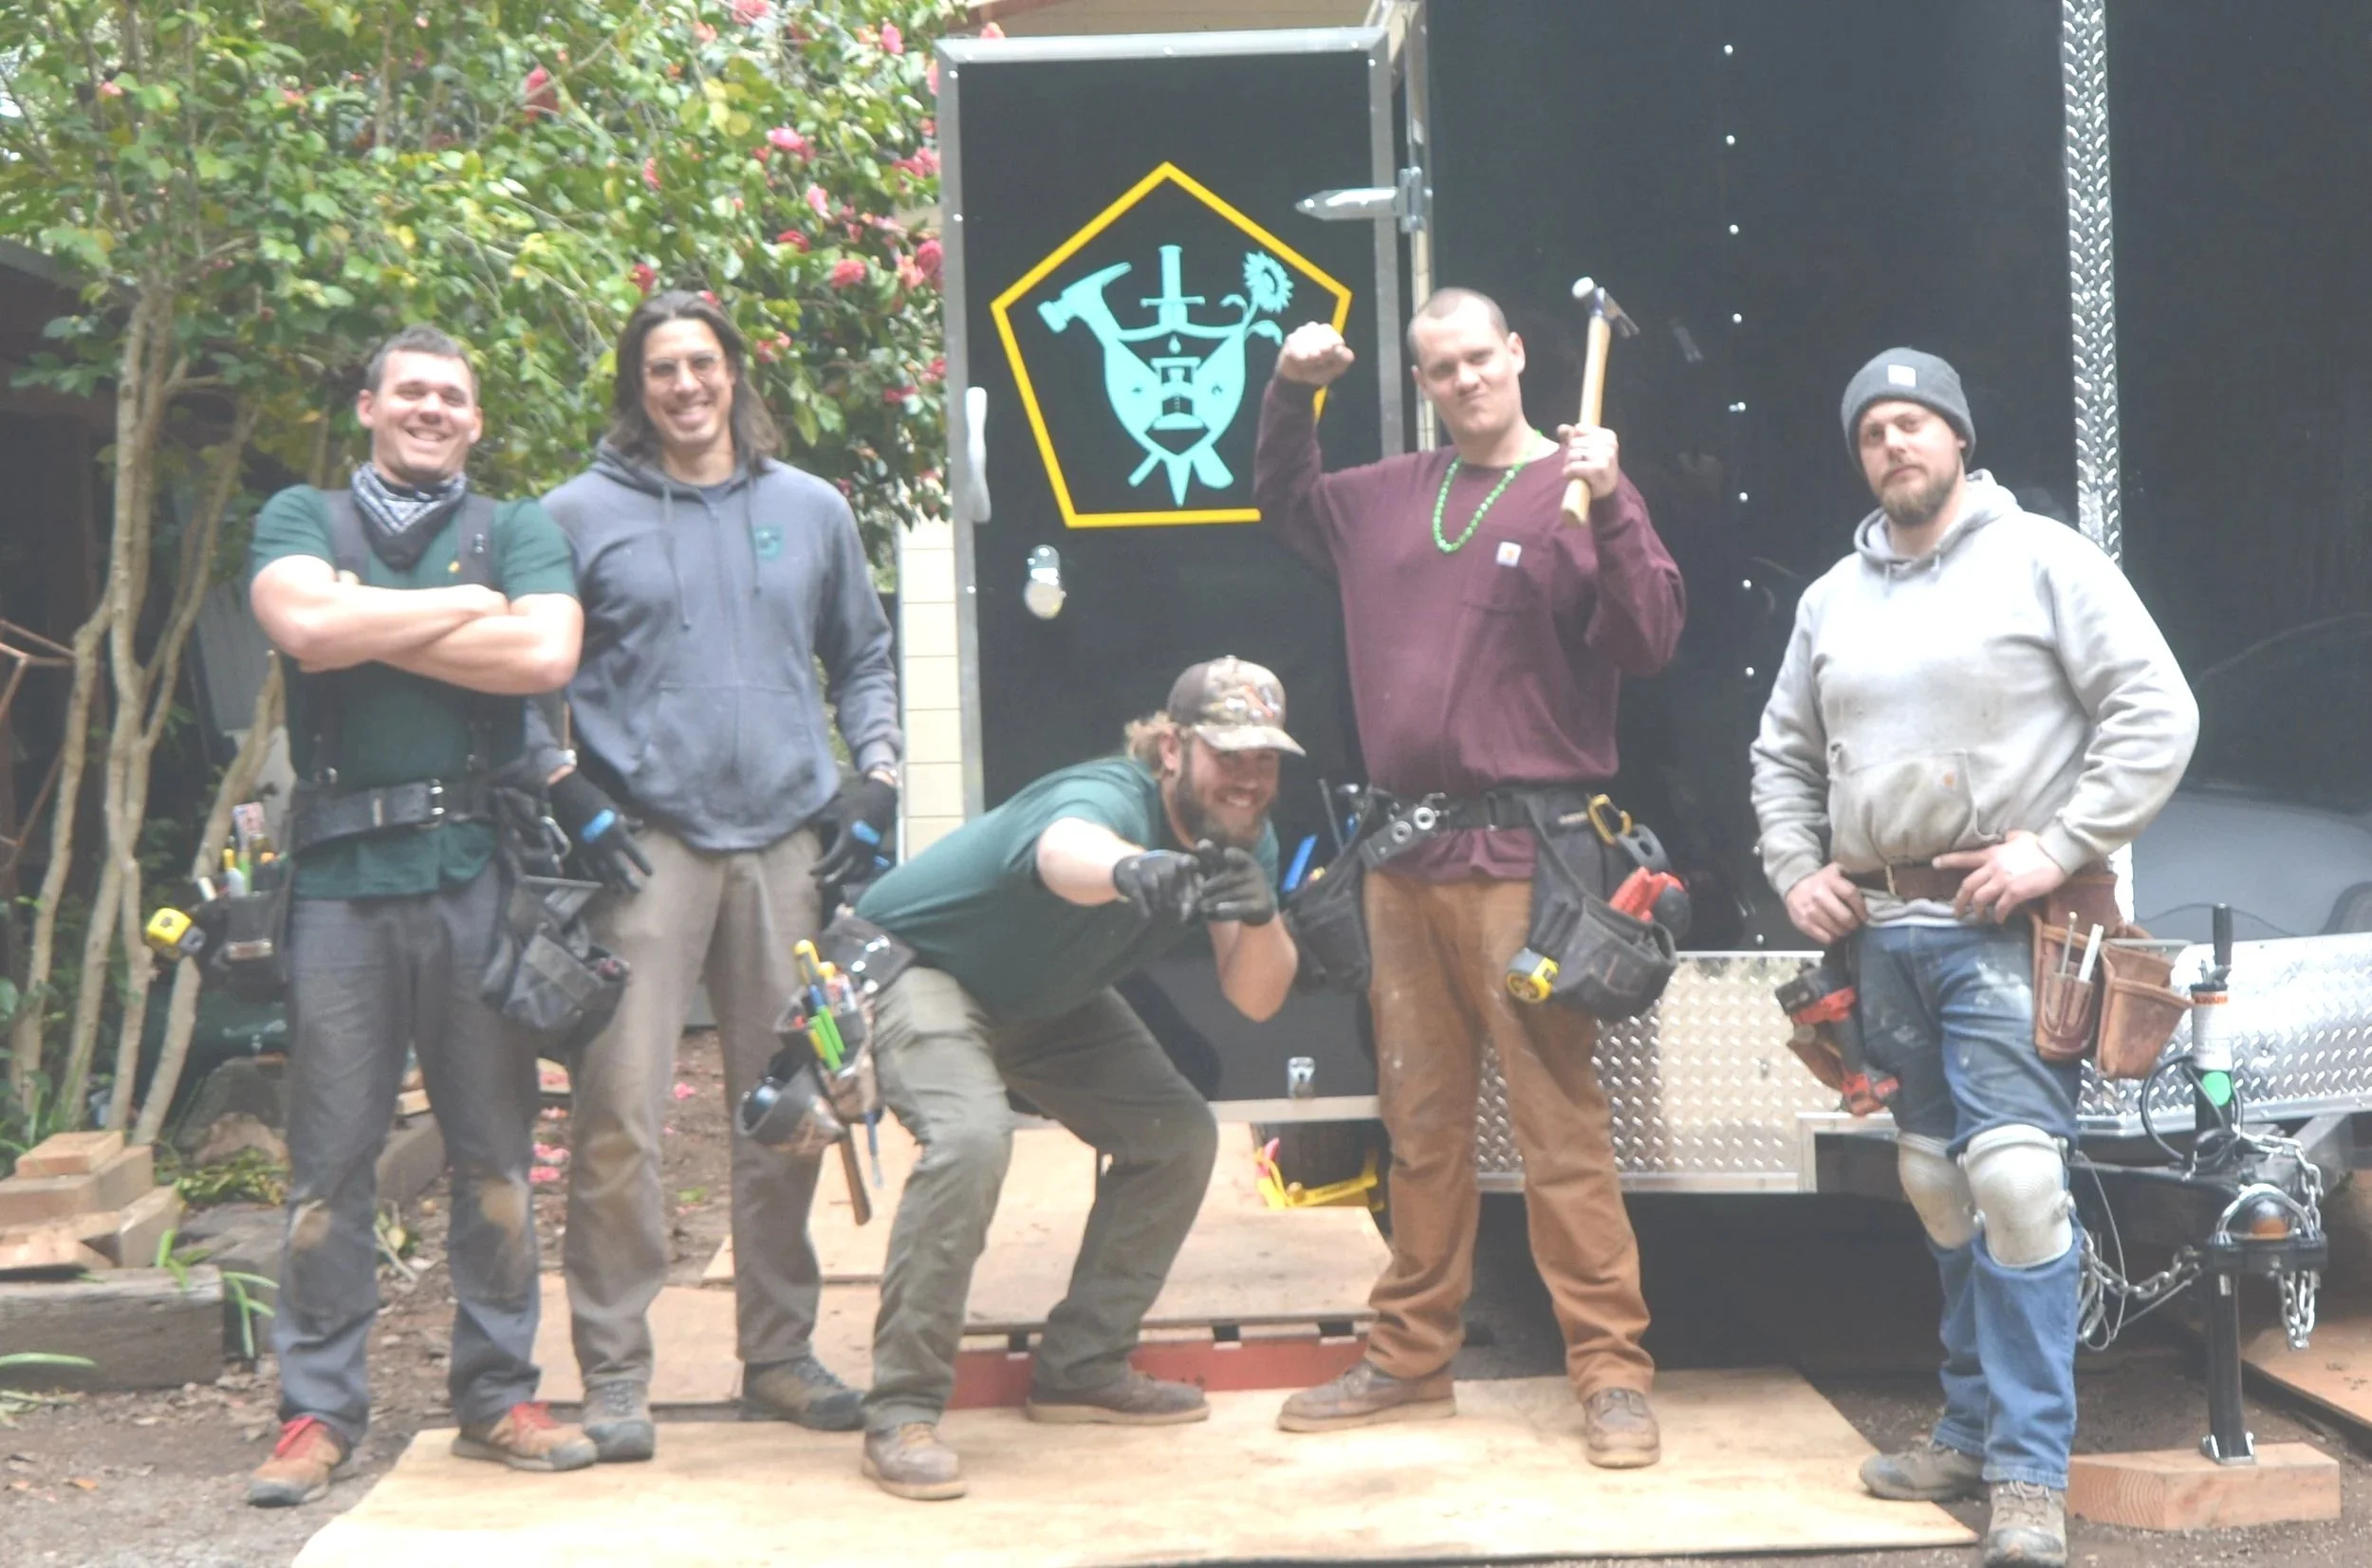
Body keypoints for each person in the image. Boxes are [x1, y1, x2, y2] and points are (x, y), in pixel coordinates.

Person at [1750, 348, 2196, 1568]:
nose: (1895, 446)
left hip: (2013, 930)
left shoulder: (2045, 559)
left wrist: (2056, 848)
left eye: (1915, 425)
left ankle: (2026, 1477)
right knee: (1937, 1187)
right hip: (1885, 936)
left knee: (2013, 1185)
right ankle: (1963, 1424)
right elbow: (1780, 753)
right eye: (1873, 432)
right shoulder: (1830, 599)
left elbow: (2157, 711)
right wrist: (1798, 867)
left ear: (1957, 440)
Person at [1251, 289, 1684, 1467]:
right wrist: (1293, 391)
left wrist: (1621, 497)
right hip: (1401, 863)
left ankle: (1608, 1374)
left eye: (1479, 358)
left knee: (1557, 1127)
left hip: (1526, 861)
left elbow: (1646, 640)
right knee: (1422, 1125)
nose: (1463, 382)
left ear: (1519, 353)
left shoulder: (1577, 489)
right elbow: (1280, 498)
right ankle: (1408, 1357)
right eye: (1439, 369)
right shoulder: (1391, 495)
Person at [532, 291, 900, 1461]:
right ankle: (617, 1374)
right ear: (636, 390)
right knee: (619, 1117)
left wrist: (878, 773)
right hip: (643, 846)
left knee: (788, 1111)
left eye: (702, 363)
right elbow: (528, 678)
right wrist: (563, 785)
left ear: (736, 373)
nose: (685, 387)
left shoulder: (812, 509)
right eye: (661, 370)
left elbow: (866, 653)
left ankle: (780, 1357)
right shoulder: (575, 515)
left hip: (787, 845)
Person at [244, 325, 594, 1505]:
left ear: (475, 420)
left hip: (479, 884)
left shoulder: (519, 528)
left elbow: (545, 657)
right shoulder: (303, 518)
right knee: (330, 1166)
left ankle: (498, 1395)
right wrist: (464, 612)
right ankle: (316, 1414)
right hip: (339, 889)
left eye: (452, 396)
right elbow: (304, 630)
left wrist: (373, 619)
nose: (432, 409)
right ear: (369, 407)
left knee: (494, 1161)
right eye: (411, 392)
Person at [848, 659, 1303, 1501]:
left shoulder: (1247, 836)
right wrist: (1133, 869)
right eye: (1228, 754)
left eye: (1264, 759)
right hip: (923, 968)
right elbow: (1064, 851)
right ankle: (901, 1410)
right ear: (1172, 748)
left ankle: (1081, 1367)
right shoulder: (1108, 795)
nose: (1247, 778)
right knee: (973, 1139)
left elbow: (1257, 996)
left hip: (1044, 1000)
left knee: (1177, 1137)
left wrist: (1262, 909)